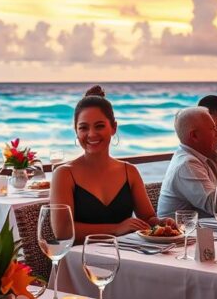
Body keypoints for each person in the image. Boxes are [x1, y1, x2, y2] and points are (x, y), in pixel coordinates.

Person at [50, 86, 169, 242]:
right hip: (80, 260)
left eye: (99, 126)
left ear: (113, 128)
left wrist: (162, 223)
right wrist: (116, 228)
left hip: (127, 256)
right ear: (76, 131)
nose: (91, 134)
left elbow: (147, 219)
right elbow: (63, 231)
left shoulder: (129, 171)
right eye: (83, 128)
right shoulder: (64, 174)